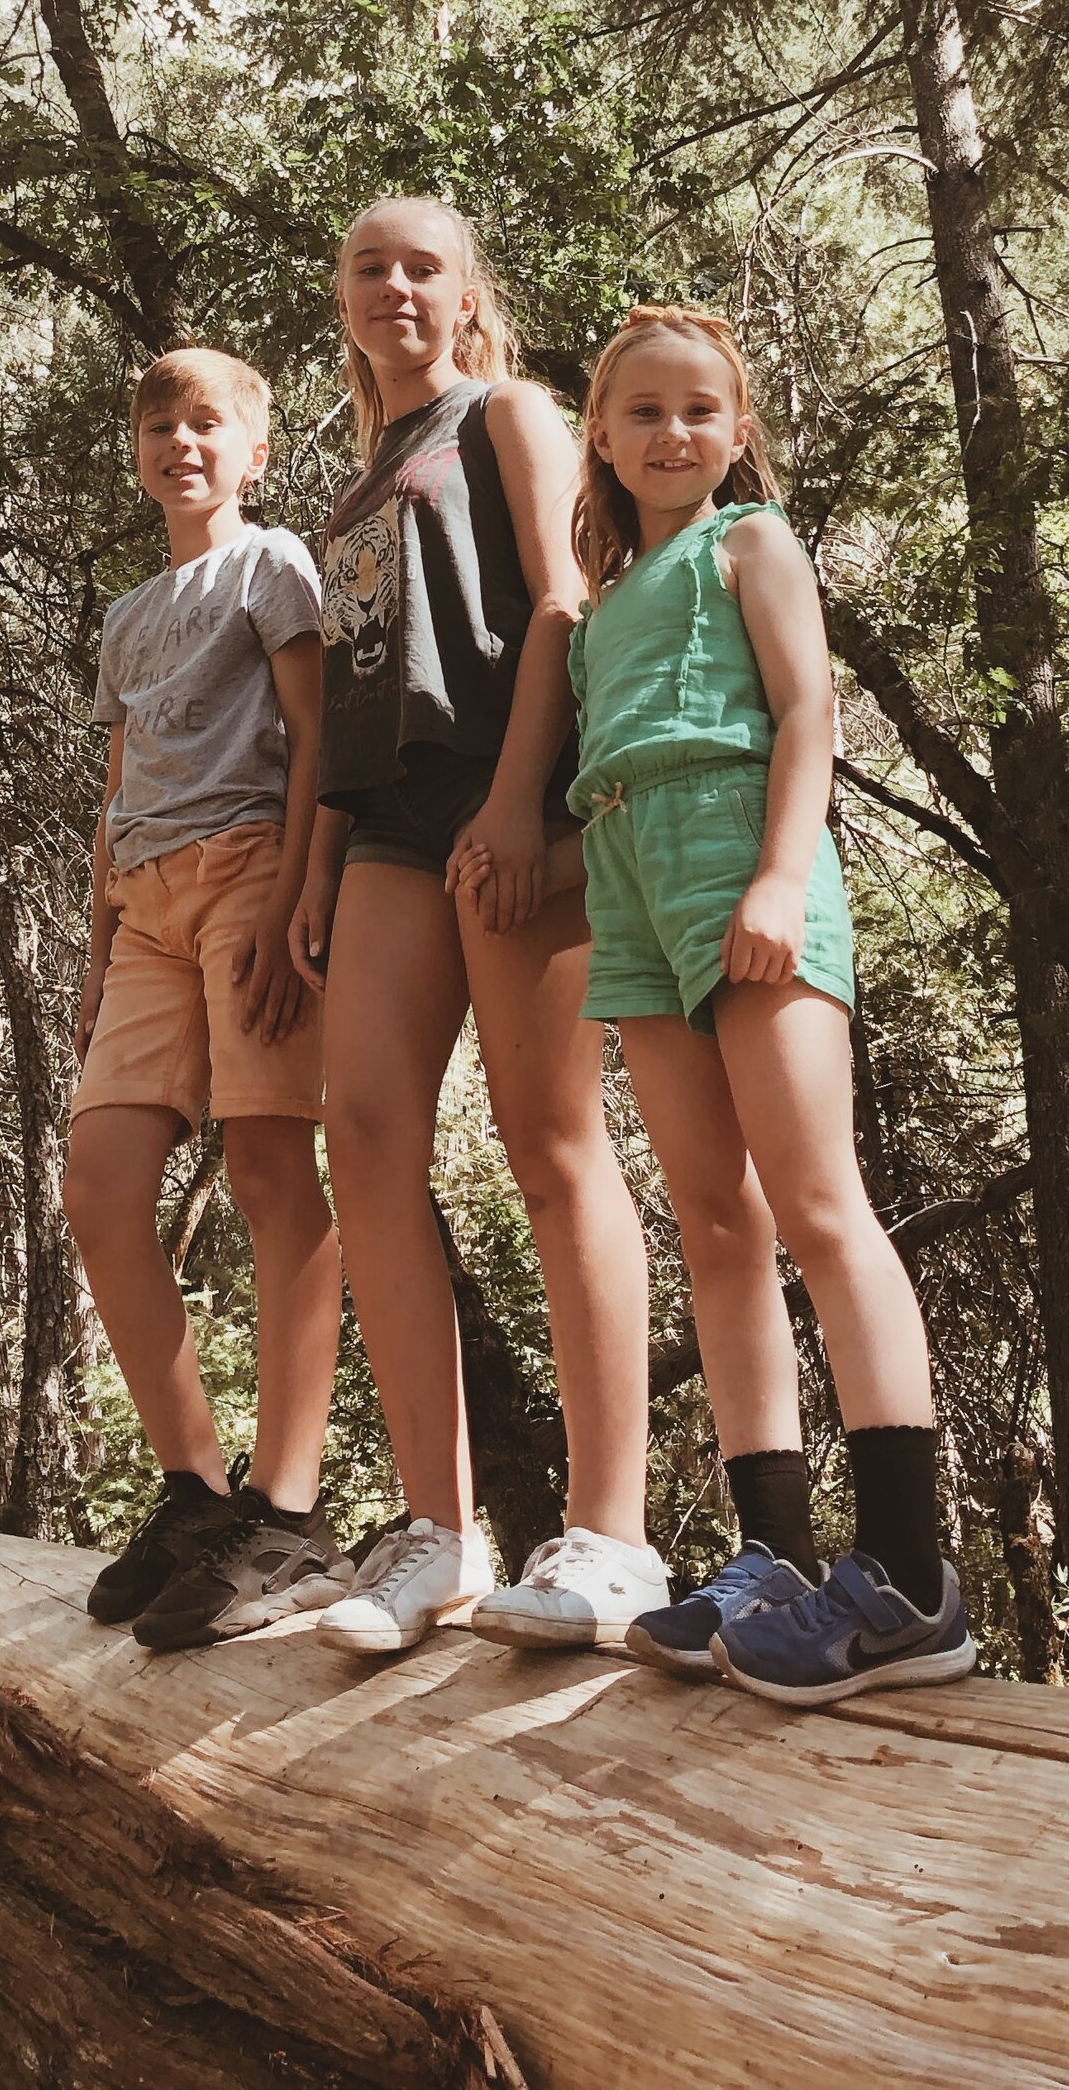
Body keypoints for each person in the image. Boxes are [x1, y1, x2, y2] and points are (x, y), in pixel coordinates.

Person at [549, 303, 975, 1704]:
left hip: (740, 850)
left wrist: (784, 876)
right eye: (644, 412)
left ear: (737, 434)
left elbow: (805, 713)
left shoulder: (752, 542)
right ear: (600, 438)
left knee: (815, 1201)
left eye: (700, 410)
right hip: (632, 884)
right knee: (715, 1219)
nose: (673, 433)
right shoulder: (603, 604)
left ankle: (910, 1575)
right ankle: (771, 1551)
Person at [295, 199, 668, 1657]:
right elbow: (347, 702)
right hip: (391, 823)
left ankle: (613, 1534)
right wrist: (317, 863)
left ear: (465, 296)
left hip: (521, 799)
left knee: (548, 1135)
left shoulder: (506, 413)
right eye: (370, 267)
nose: (395, 284)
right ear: (346, 299)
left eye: (421, 266)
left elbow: (567, 602)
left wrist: (522, 807)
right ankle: (437, 1532)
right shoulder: (348, 491)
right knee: (363, 1130)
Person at [64, 346, 350, 1650]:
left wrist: (304, 894)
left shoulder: (272, 563)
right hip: (145, 911)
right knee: (99, 1182)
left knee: (273, 1171)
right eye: (159, 425)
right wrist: (93, 950)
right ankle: (196, 1482)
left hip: (247, 873)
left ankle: (290, 1505)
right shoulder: (129, 615)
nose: (181, 442)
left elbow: (315, 733)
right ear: (139, 451)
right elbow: (118, 790)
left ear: (255, 450)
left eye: (207, 423)